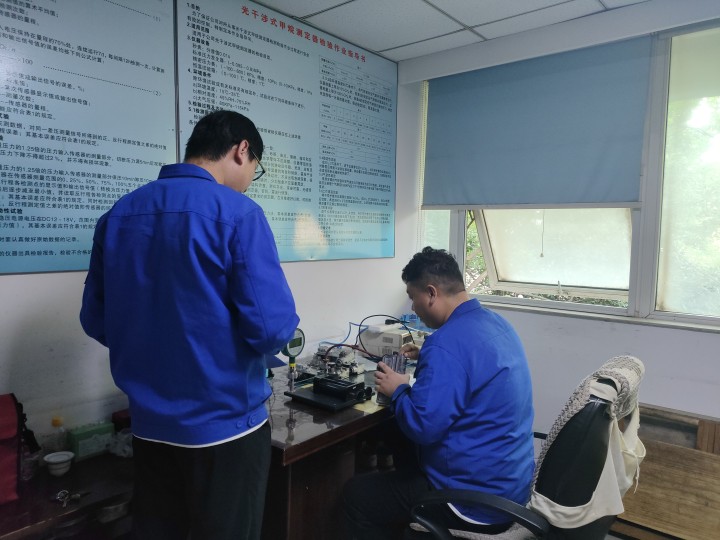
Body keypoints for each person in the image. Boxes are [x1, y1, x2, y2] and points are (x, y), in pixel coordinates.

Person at [80, 110, 299, 540]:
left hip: (149, 429)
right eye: (256, 169)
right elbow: (272, 329)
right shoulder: (239, 214)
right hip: (225, 431)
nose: (250, 180)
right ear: (242, 151)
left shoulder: (119, 214)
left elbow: (95, 320)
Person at [343, 247, 535, 540]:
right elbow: (472, 364)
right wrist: (427, 356)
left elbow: (422, 428)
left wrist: (398, 389)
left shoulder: (446, 345)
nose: (413, 307)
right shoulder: (497, 324)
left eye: (413, 297)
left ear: (431, 293)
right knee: (395, 439)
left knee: (357, 495)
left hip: (471, 502)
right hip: (510, 488)